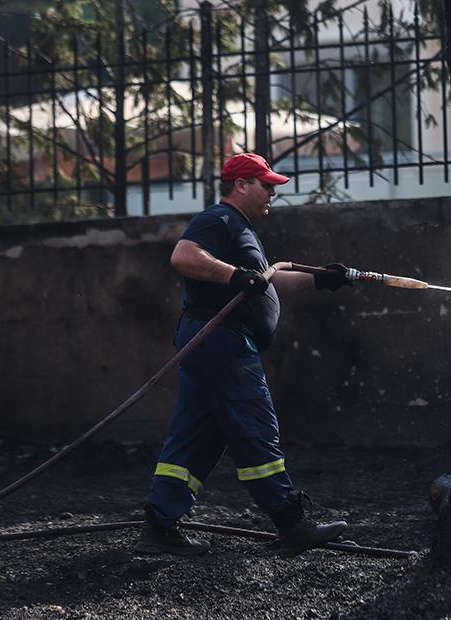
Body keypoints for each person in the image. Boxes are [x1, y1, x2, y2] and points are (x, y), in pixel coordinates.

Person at [135, 152, 352, 557]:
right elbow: (183, 256)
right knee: (253, 421)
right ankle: (291, 522)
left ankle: (159, 525)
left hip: (212, 342)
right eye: (266, 184)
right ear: (241, 186)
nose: (273, 192)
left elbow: (267, 284)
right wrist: (234, 274)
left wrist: (321, 279)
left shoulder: (242, 231)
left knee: (198, 435)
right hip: (222, 340)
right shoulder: (220, 220)